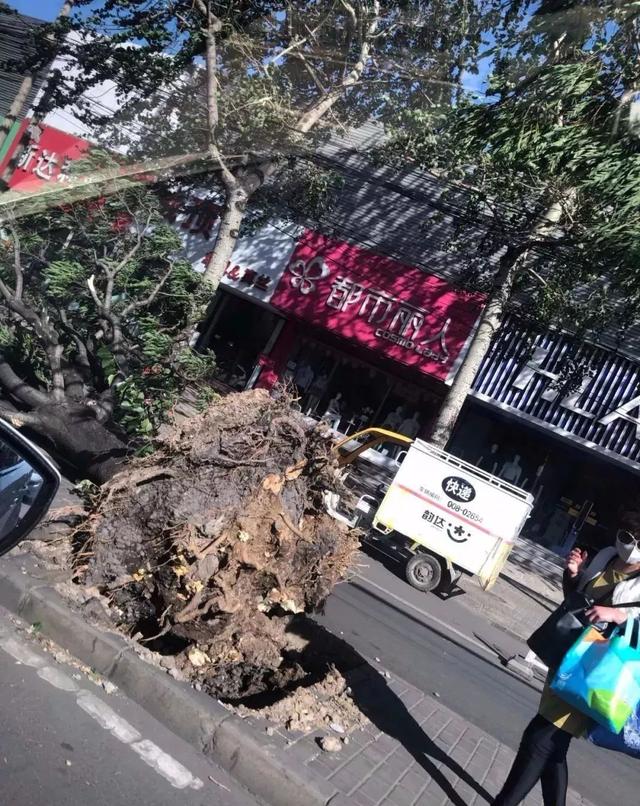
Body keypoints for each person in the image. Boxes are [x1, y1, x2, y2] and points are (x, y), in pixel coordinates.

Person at [492, 513, 640, 806]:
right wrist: (573, 574)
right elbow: (576, 603)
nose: (631, 545)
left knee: (538, 740)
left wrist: (620, 616)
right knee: (554, 749)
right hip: (568, 659)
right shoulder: (607, 557)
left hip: (596, 674)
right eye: (629, 535)